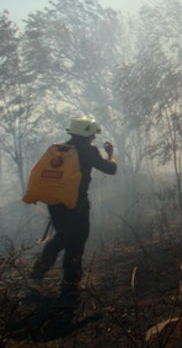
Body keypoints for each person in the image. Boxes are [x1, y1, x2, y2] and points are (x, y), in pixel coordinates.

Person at [30, 116, 117, 298]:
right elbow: (110, 170)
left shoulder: (60, 149)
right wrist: (110, 154)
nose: (94, 137)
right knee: (77, 241)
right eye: (93, 134)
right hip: (76, 204)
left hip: (56, 203)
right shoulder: (88, 150)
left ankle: (37, 274)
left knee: (62, 237)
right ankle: (70, 285)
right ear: (87, 134)